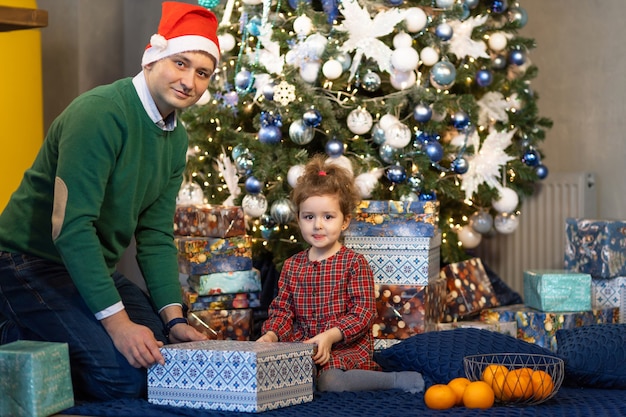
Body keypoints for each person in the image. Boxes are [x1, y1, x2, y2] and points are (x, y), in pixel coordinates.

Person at [0, 2, 220, 401]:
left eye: (202, 73)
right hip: (26, 262)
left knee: (160, 358)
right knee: (123, 378)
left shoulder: (177, 137)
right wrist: (117, 325)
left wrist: (173, 320)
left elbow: (154, 234)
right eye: (180, 63)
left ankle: (60, 334)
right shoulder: (101, 113)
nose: (189, 81)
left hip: (85, 267)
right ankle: (13, 333)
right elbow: (70, 228)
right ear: (153, 58)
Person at [257, 154, 424, 393]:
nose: (318, 225)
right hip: (304, 347)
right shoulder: (292, 266)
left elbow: (362, 314)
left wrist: (330, 336)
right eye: (309, 217)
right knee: (278, 377)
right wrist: (271, 335)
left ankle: (395, 381)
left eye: (328, 216)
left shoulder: (354, 263)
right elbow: (283, 311)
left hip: (344, 348)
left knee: (329, 381)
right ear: (298, 219)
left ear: (344, 221)